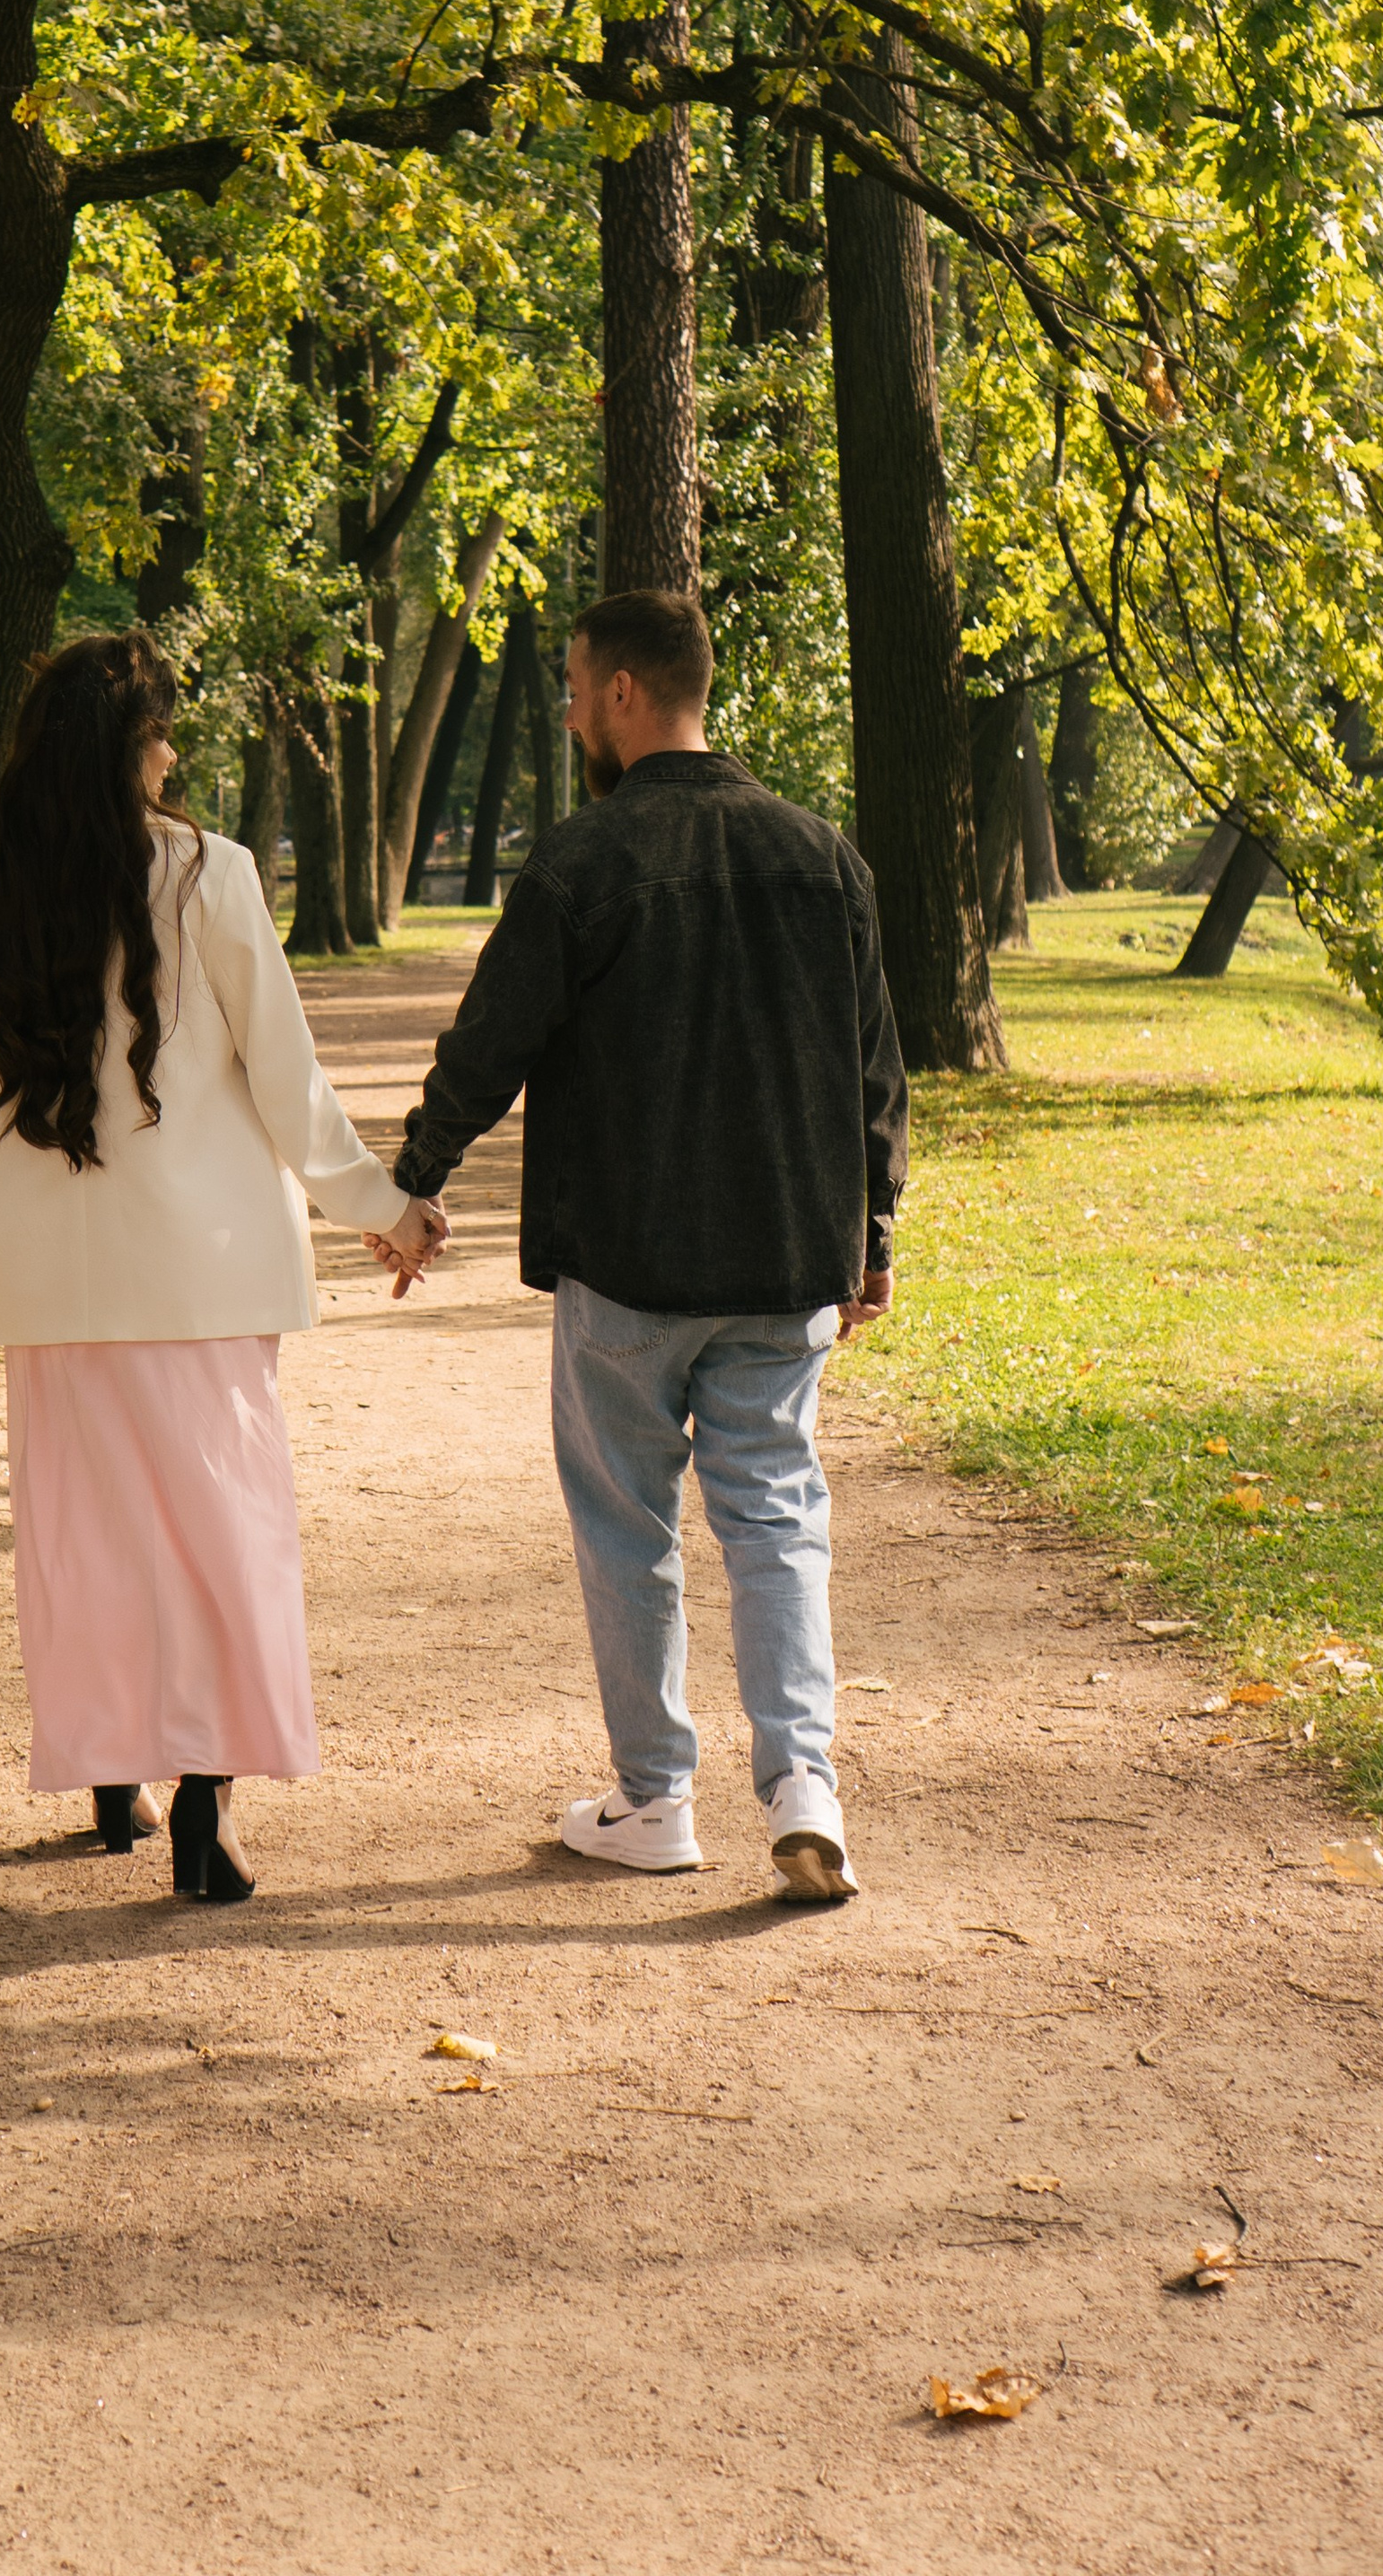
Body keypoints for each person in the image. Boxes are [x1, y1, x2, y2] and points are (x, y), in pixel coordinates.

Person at [382, 587, 908, 1905]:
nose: (566, 707)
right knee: (777, 1516)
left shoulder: (581, 864)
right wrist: (876, 1231)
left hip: (629, 1261)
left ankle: (654, 1798)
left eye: (573, 684)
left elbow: (490, 1042)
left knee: (629, 1526)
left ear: (626, 693)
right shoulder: (823, 856)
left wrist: (414, 1181)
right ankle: (805, 1785)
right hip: (787, 1257)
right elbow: (875, 1072)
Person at [0, 631, 446, 1904]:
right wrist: (380, 1206)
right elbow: (284, 1072)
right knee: (219, 1535)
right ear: (124, 751)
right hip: (200, 1275)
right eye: (161, 734)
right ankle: (202, 1807)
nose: (173, 755)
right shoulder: (205, 876)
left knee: (88, 1533)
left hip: (53, 1279)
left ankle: (114, 1771)